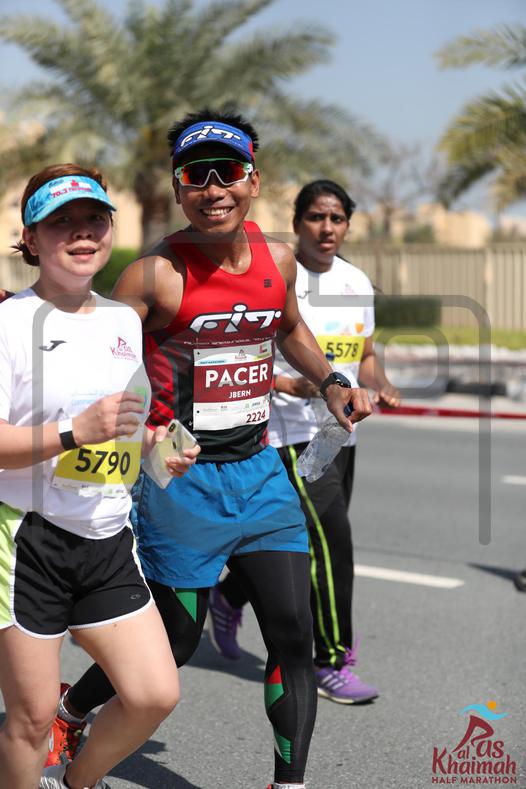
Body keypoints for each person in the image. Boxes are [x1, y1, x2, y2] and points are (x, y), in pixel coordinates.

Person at [45, 112, 372, 789]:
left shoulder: (279, 259)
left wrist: (332, 381)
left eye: (229, 172)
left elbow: (288, 328)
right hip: (182, 483)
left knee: (292, 633)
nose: (214, 188)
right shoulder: (155, 274)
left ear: (254, 181)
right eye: (197, 175)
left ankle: (289, 783)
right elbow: (97, 353)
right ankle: (69, 710)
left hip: (261, 473)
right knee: (175, 641)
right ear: (178, 188)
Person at [0, 163, 198, 789]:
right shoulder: (9, 324)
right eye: (62, 222)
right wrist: (72, 433)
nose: (82, 233)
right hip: (27, 539)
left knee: (153, 694)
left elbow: (124, 424)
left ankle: (75, 783)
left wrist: (156, 448)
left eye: (94, 219)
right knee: (32, 720)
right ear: (31, 239)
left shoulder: (121, 321)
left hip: (108, 535)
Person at [210, 179, 400, 704]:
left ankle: (229, 595)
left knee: (303, 540)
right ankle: (332, 661)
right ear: (297, 223)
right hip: (289, 433)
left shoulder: (356, 282)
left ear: (348, 226)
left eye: (337, 218)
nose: (327, 228)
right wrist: (287, 383)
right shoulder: (278, 275)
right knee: (332, 543)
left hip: (342, 433)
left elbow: (363, 354)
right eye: (316, 217)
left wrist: (380, 382)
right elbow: (240, 355)